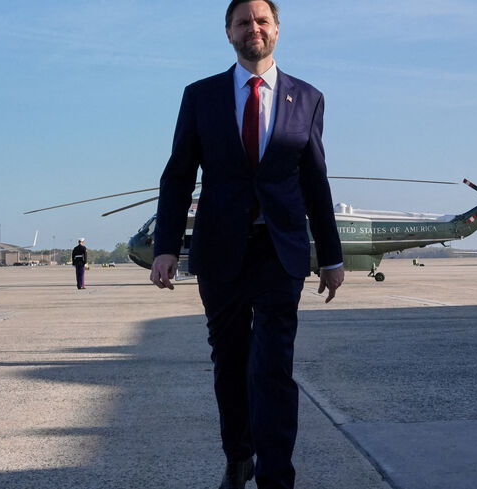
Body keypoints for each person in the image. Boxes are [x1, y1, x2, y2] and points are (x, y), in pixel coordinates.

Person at [149, 1, 344, 488]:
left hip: (280, 253)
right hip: (219, 252)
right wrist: (166, 247)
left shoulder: (309, 97)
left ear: (276, 30)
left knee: (273, 365)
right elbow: (178, 175)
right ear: (229, 33)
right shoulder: (201, 96)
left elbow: (316, 182)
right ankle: (239, 457)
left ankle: (277, 476)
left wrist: (332, 256)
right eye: (242, 22)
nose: (252, 28)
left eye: (261, 20)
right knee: (230, 363)